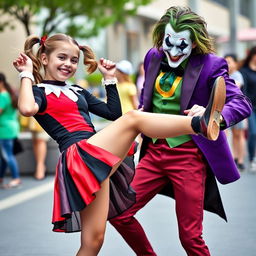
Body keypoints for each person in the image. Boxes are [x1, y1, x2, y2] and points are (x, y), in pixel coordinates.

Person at [13, 33, 225, 256]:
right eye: (62, 58)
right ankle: (199, 124)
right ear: (44, 59)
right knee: (134, 119)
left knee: (93, 241)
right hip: (78, 156)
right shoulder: (38, 92)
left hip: (93, 158)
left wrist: (109, 78)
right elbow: (27, 109)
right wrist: (26, 73)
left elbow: (113, 113)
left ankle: (202, 122)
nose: (68, 64)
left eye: (74, 60)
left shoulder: (77, 91)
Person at [109, 6, 252, 256]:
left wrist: (211, 115)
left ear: (195, 43)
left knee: (190, 238)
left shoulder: (211, 65)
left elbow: (242, 103)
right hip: (153, 153)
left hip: (188, 156)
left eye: (182, 45)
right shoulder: (153, 57)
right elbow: (147, 101)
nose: (174, 52)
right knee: (119, 213)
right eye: (169, 43)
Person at [224, 54, 246, 171]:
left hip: (237, 110)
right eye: (225, 62)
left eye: (230, 62)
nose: (227, 64)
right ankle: (233, 158)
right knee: (227, 135)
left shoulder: (237, 75)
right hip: (225, 109)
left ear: (236, 63)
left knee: (238, 135)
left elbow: (234, 87)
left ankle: (241, 160)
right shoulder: (223, 74)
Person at [0, 73, 21, 188]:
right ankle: (1, 177)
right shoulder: (9, 94)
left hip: (4, 130)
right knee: (4, 156)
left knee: (7, 155)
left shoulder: (2, 96)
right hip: (11, 128)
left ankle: (16, 178)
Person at [240, 46, 256, 172]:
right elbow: (242, 92)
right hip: (250, 107)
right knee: (253, 133)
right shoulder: (244, 71)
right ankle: (252, 159)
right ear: (252, 55)